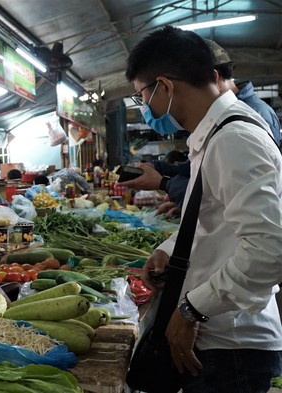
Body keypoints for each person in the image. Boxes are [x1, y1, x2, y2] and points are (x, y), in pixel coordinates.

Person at [127, 26, 282, 391]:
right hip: (221, 336)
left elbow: (268, 250)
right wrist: (167, 252)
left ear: (164, 87)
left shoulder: (234, 139)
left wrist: (191, 309)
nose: (145, 108)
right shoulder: (213, 134)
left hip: (232, 345)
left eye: (141, 97)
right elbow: (214, 221)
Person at [121, 39, 281, 218]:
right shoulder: (213, 128)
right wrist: (160, 169)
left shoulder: (235, 134)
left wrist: (164, 183)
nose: (143, 105)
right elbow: (213, 191)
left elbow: (262, 237)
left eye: (141, 95)